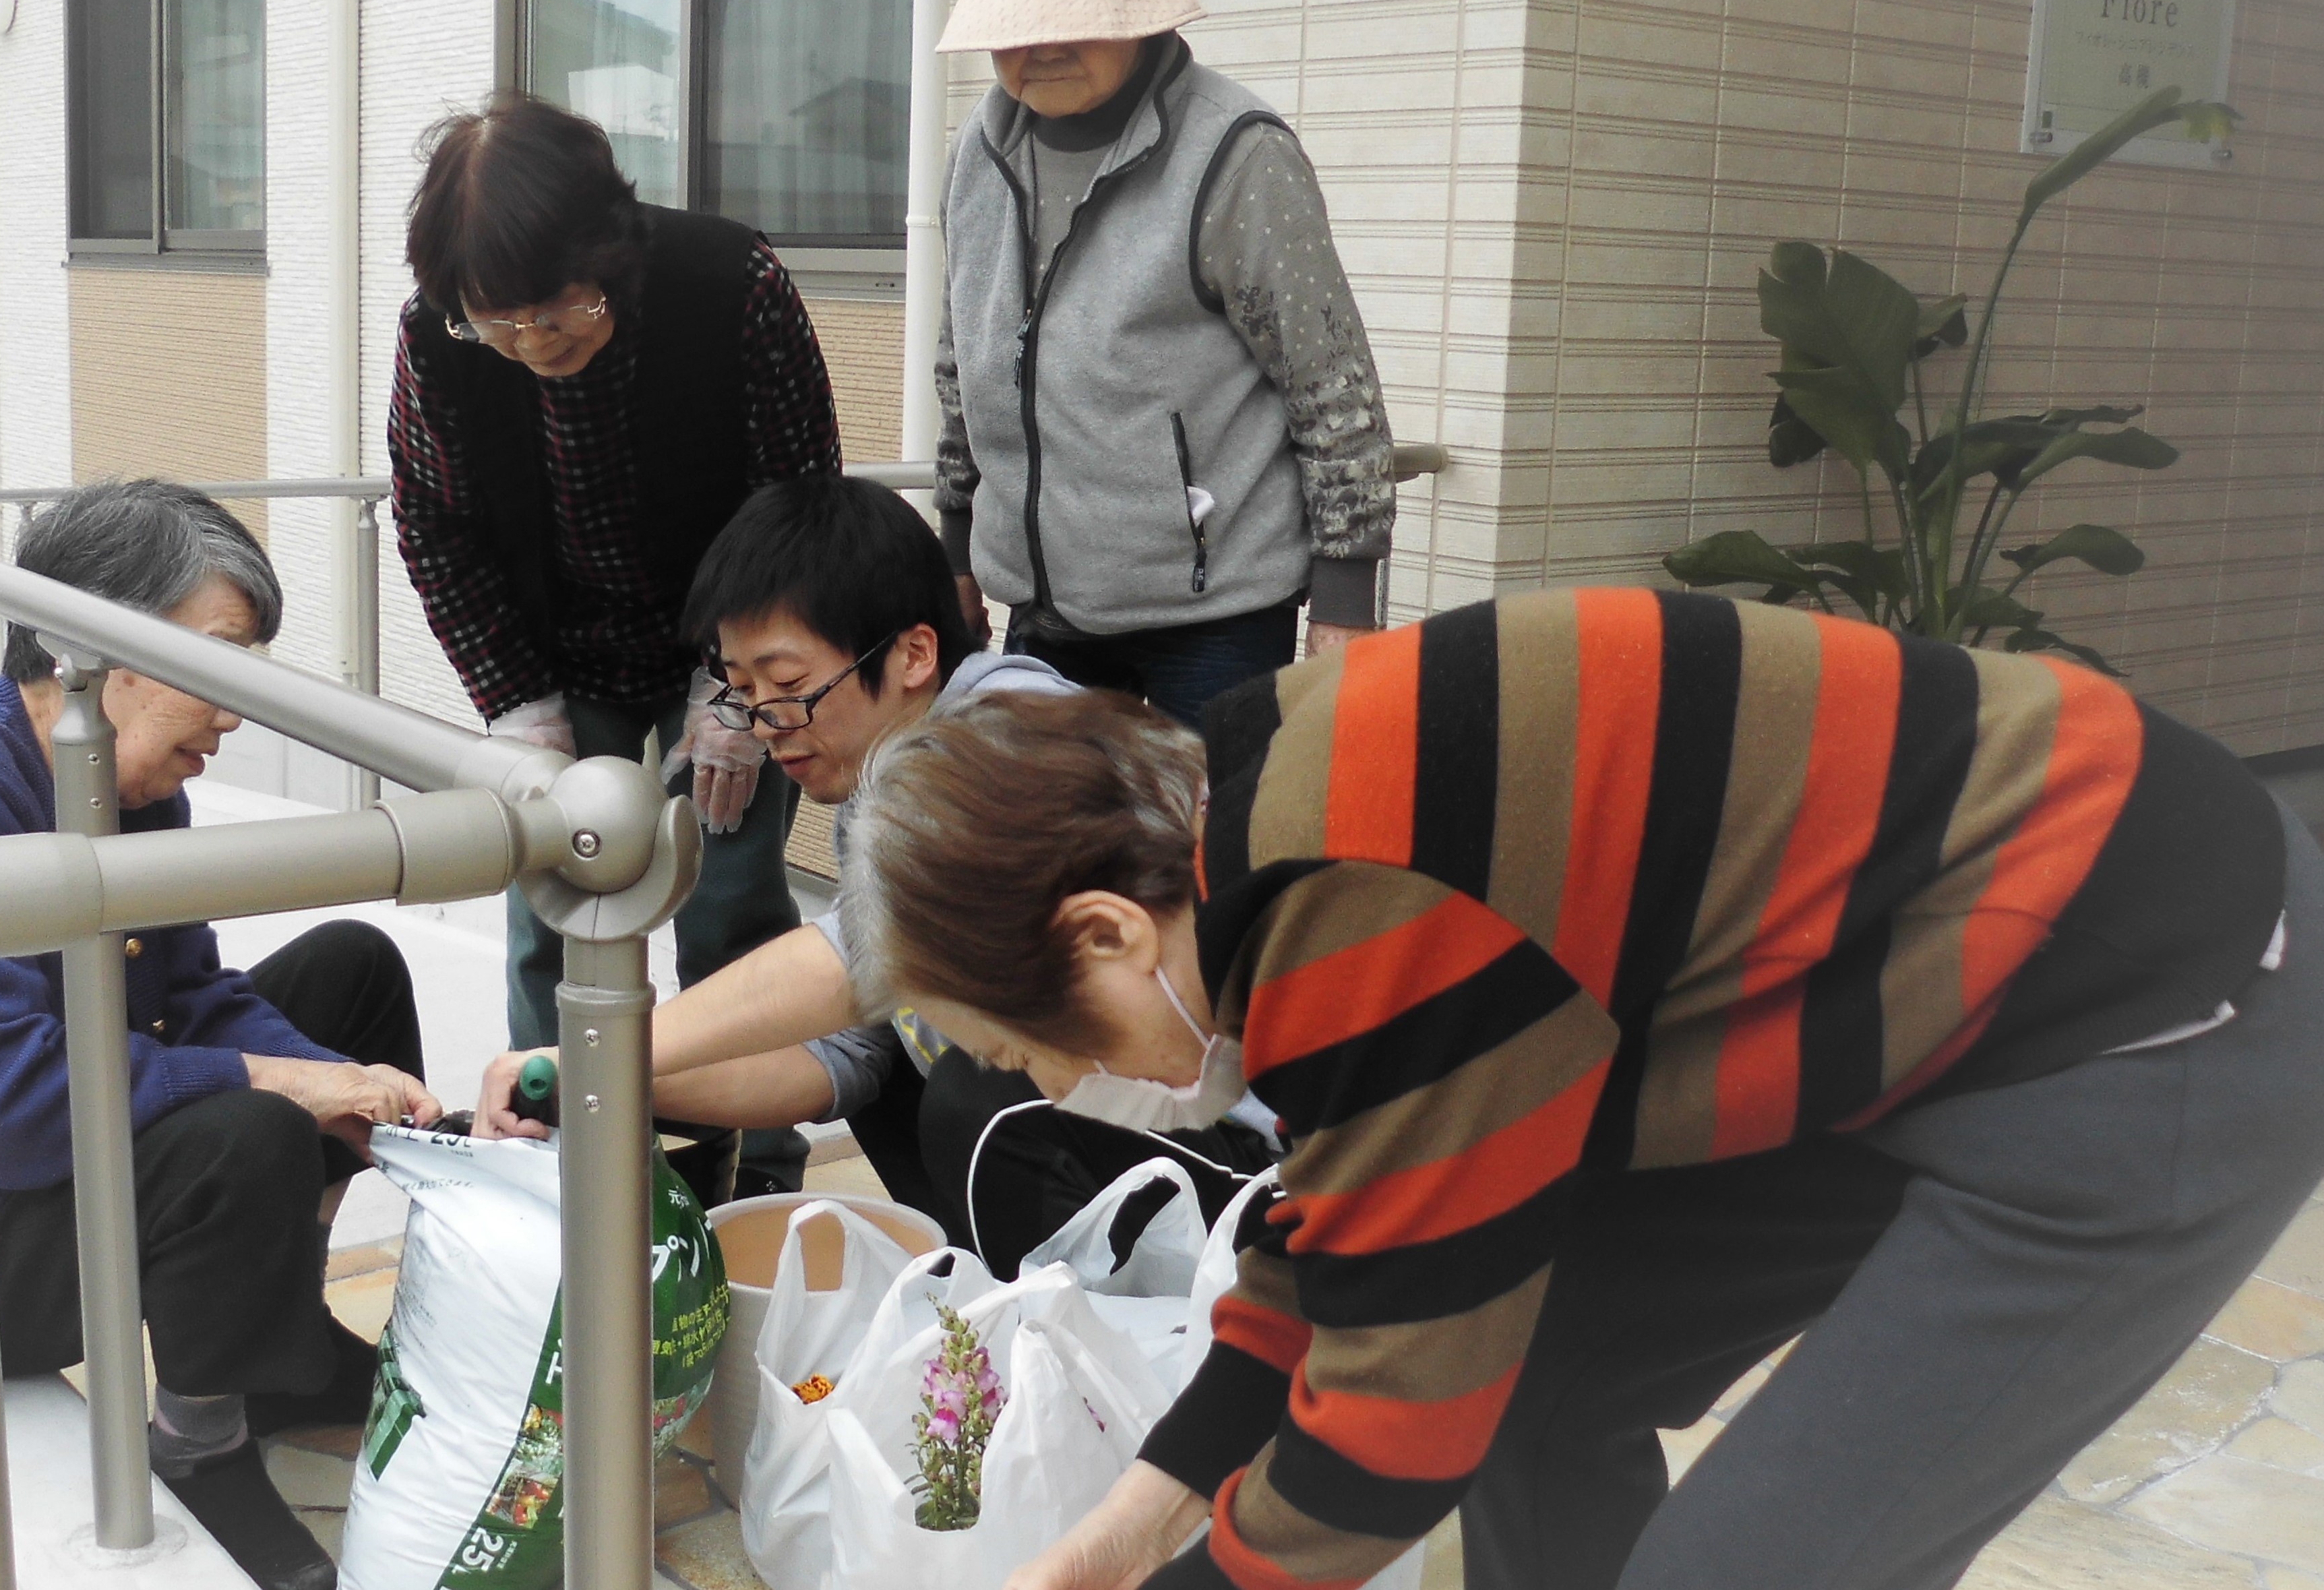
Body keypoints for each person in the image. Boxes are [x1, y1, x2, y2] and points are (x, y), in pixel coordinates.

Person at [838, 590, 2323, 1590]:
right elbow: (1358, 1252)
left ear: (1102, 933)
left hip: (2145, 996)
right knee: (1537, 1373)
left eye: (1030, 1050)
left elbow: (1387, 1434)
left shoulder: (1346, 905)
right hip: (1912, 971)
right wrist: (1115, 1541)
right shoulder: (1231, 817)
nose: (1059, 1086)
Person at [0, 481, 441, 1590]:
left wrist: (347, 1082)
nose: (234, 709)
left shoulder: (123, 775)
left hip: (21, 1159)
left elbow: (190, 993)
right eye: (215, 659)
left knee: (350, 976)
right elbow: (7, 1111)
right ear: (93, 644)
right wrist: (277, 1085)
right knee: (248, 1129)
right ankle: (201, 1443)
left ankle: (277, 1342)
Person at [472, 475, 1279, 1270]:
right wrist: (610, 1078)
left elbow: (851, 956)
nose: (768, 726)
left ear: (913, 654)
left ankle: (1078, 1320)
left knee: (976, 1092)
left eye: (790, 686)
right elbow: (838, 1059)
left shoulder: (1010, 729)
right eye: (743, 693)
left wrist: (604, 1039)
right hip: (1133, 1125)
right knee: (906, 1059)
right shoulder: (881, 788)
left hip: (1246, 1140)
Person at [388, 94, 842, 1194]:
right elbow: (436, 524)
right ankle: (562, 1171)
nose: (534, 343)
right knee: (550, 917)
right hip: (556, 655)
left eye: (559, 311)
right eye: (500, 324)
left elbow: (796, 496)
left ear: (610, 250)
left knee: (734, 907)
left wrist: (738, 691)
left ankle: (757, 1179)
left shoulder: (732, 285)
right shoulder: (440, 338)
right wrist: (517, 700)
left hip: (726, 632)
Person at [931, 0, 1398, 727]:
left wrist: (1345, 599)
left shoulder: (1237, 153)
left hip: (1216, 618)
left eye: (1073, 17)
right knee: (1051, 818)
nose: (1044, 46)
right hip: (1041, 611)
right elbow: (963, 363)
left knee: (1216, 815)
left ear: (1139, 12)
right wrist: (957, 550)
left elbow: (1331, 387)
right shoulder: (977, 153)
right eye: (1021, 23)